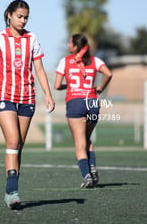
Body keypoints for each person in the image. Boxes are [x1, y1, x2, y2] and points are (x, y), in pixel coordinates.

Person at [0, 0, 55, 209]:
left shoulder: (32, 38)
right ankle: (12, 191)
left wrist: (48, 94)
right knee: (13, 140)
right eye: (19, 16)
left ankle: (11, 189)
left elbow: (39, 70)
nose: (23, 20)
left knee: (19, 147)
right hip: (4, 97)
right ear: (9, 14)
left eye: (26, 17)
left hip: (27, 99)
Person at [54, 33, 112, 188]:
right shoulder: (94, 60)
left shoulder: (65, 61)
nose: (67, 45)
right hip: (92, 102)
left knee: (80, 143)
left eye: (69, 43)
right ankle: (92, 167)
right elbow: (108, 73)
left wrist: (70, 86)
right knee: (87, 139)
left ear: (75, 47)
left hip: (75, 103)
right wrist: (100, 88)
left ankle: (87, 176)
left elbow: (57, 85)